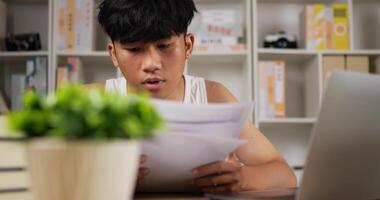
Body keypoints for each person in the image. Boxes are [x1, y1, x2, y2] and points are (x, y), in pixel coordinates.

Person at [94, 0, 297, 193]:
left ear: (188, 46)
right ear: (113, 54)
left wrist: (243, 178)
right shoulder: (92, 101)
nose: (151, 64)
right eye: (134, 49)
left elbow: (284, 174)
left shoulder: (213, 96)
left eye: (164, 46)